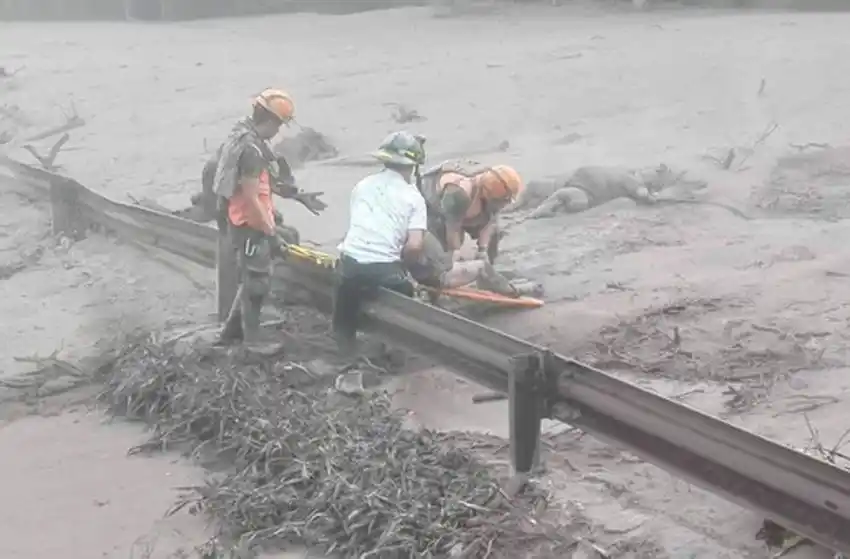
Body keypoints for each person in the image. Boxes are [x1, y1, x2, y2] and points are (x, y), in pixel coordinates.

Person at [211, 88, 296, 346]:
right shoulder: (251, 151)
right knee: (257, 283)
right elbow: (251, 197)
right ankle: (253, 340)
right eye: (279, 125)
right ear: (270, 121)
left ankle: (231, 332)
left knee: (251, 277)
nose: (278, 131)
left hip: (240, 219)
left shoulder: (242, 136)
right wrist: (270, 232)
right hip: (249, 222)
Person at [332, 131, 428, 354]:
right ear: (413, 165)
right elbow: (414, 245)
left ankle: (343, 339)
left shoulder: (362, 185)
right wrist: (407, 268)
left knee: (347, 287)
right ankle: (394, 348)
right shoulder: (414, 197)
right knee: (403, 292)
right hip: (385, 271)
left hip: (350, 264)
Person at [412, 160, 524, 295]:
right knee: (440, 254)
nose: (501, 205)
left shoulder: (491, 194)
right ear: (488, 194)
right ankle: (433, 275)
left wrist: (483, 250)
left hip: (461, 210)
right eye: (500, 201)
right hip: (432, 209)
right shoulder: (457, 193)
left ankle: (487, 276)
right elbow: (452, 230)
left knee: (495, 232)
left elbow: (490, 221)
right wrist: (454, 254)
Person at [511, 165, 680, 219]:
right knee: (535, 187)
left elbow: (643, 195)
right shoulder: (628, 174)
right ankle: (521, 206)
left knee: (563, 196)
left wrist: (653, 197)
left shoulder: (633, 181)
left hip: (583, 192)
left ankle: (536, 212)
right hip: (576, 184)